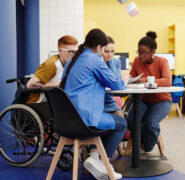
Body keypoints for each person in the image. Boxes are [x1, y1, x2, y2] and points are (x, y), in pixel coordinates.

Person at [60, 28, 128, 180]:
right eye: (104, 50)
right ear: (98, 48)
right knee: (121, 123)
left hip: (66, 120)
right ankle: (101, 161)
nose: (104, 53)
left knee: (110, 118)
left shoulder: (73, 60)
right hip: (84, 122)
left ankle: (95, 158)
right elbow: (116, 84)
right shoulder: (95, 60)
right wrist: (125, 79)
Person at [127, 31, 172, 152]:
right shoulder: (137, 61)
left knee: (150, 124)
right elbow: (132, 77)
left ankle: (147, 146)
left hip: (161, 100)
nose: (141, 56)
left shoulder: (162, 62)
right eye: (139, 52)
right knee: (131, 121)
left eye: (144, 53)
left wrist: (144, 80)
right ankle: (141, 139)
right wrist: (130, 79)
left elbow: (168, 81)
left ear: (153, 52)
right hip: (143, 99)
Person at [26, 35, 78, 103]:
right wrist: (59, 84)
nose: (74, 55)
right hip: (39, 103)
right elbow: (30, 85)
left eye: (76, 52)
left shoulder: (66, 63)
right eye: (71, 51)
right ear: (60, 51)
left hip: (53, 102)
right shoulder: (52, 65)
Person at [101, 36, 124, 117]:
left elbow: (116, 79)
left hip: (109, 99)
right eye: (106, 51)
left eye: (112, 51)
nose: (110, 54)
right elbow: (114, 82)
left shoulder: (116, 61)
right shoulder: (97, 62)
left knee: (122, 117)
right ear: (100, 50)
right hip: (100, 99)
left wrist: (111, 62)